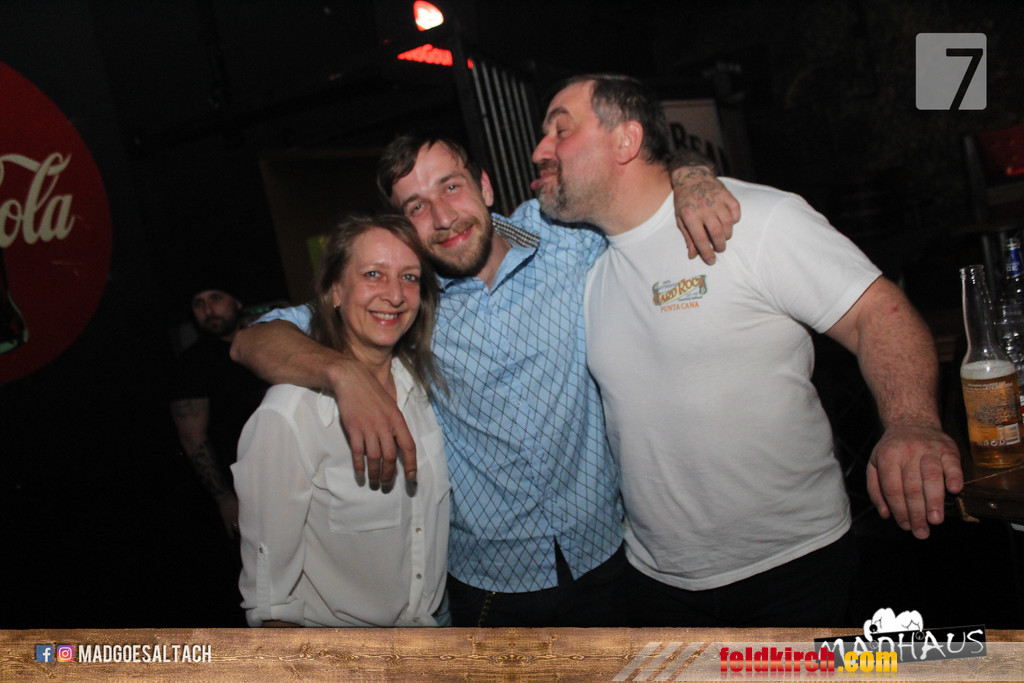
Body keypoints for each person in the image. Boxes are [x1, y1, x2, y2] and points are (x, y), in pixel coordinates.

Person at [230, 133, 739, 626]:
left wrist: (691, 177)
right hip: (489, 587)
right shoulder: (407, 299)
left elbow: (635, 175)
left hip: (606, 557)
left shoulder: (564, 238)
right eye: (416, 206)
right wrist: (341, 373)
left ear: (486, 186)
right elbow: (251, 339)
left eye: (451, 186)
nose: (443, 217)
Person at [530, 73, 964, 626]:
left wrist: (911, 423)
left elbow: (877, 314)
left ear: (626, 140)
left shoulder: (753, 220)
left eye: (561, 130)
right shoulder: (587, 270)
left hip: (794, 571)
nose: (540, 150)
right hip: (657, 586)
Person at [232, 214, 449, 627]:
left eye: (409, 277)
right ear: (335, 290)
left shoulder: (420, 389)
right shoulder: (289, 413)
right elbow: (271, 605)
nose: (395, 295)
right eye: (373, 274)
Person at [169, 283, 268, 539]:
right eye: (199, 303)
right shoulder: (191, 365)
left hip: (290, 473)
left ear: (236, 302)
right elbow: (193, 439)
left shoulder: (267, 345)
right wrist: (224, 499)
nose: (208, 309)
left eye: (215, 298)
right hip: (243, 490)